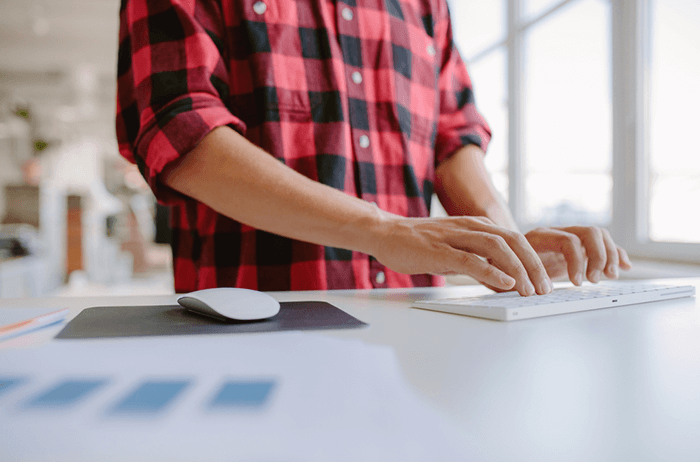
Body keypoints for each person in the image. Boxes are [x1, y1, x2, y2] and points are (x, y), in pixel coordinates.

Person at [116, 0, 631, 295]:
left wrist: (507, 244)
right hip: (256, 327)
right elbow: (180, 132)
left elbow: (454, 134)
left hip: (417, 332)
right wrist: (382, 231)